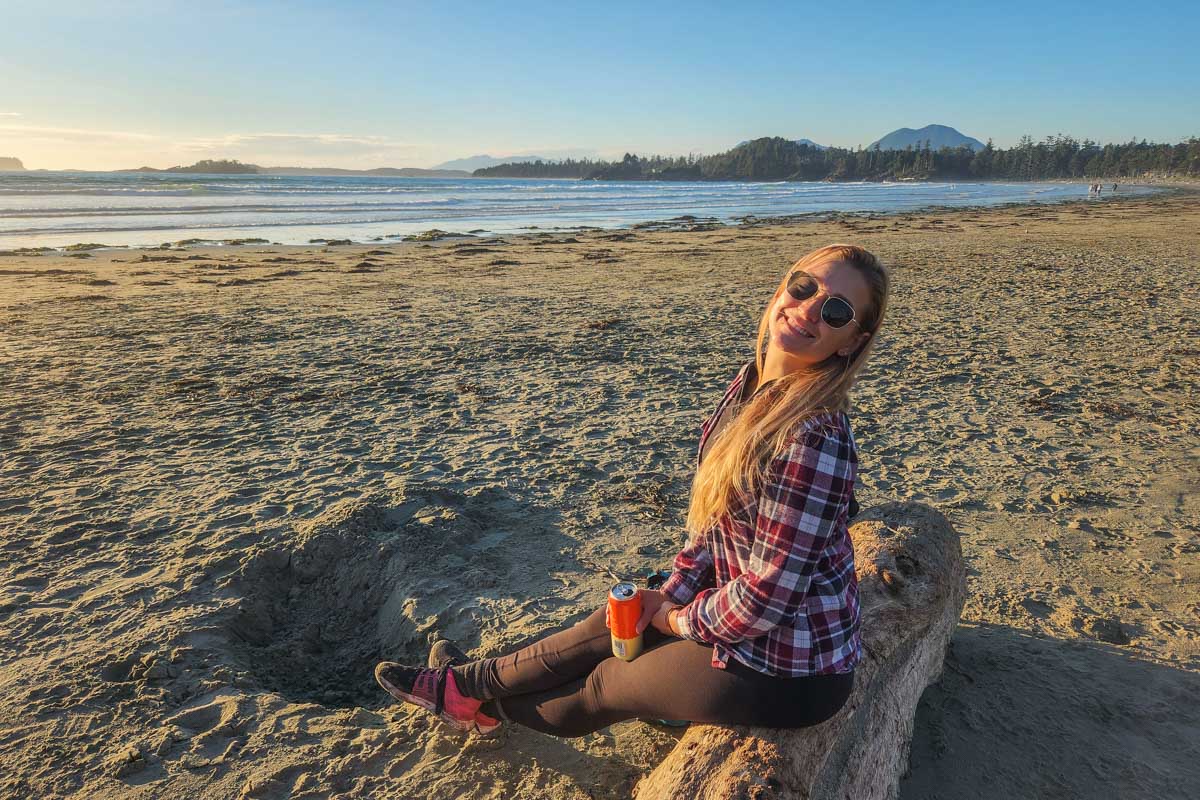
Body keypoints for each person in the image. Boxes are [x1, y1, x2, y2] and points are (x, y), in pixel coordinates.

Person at [375, 243, 890, 738]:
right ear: (782, 290)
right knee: (610, 626)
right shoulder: (752, 386)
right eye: (803, 287)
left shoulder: (814, 437)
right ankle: (464, 686)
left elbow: (767, 599)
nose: (808, 309)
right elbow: (710, 531)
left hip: (788, 670)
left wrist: (678, 619)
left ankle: (479, 704)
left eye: (837, 310)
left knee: (602, 685)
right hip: (743, 622)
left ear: (851, 340)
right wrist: (668, 594)